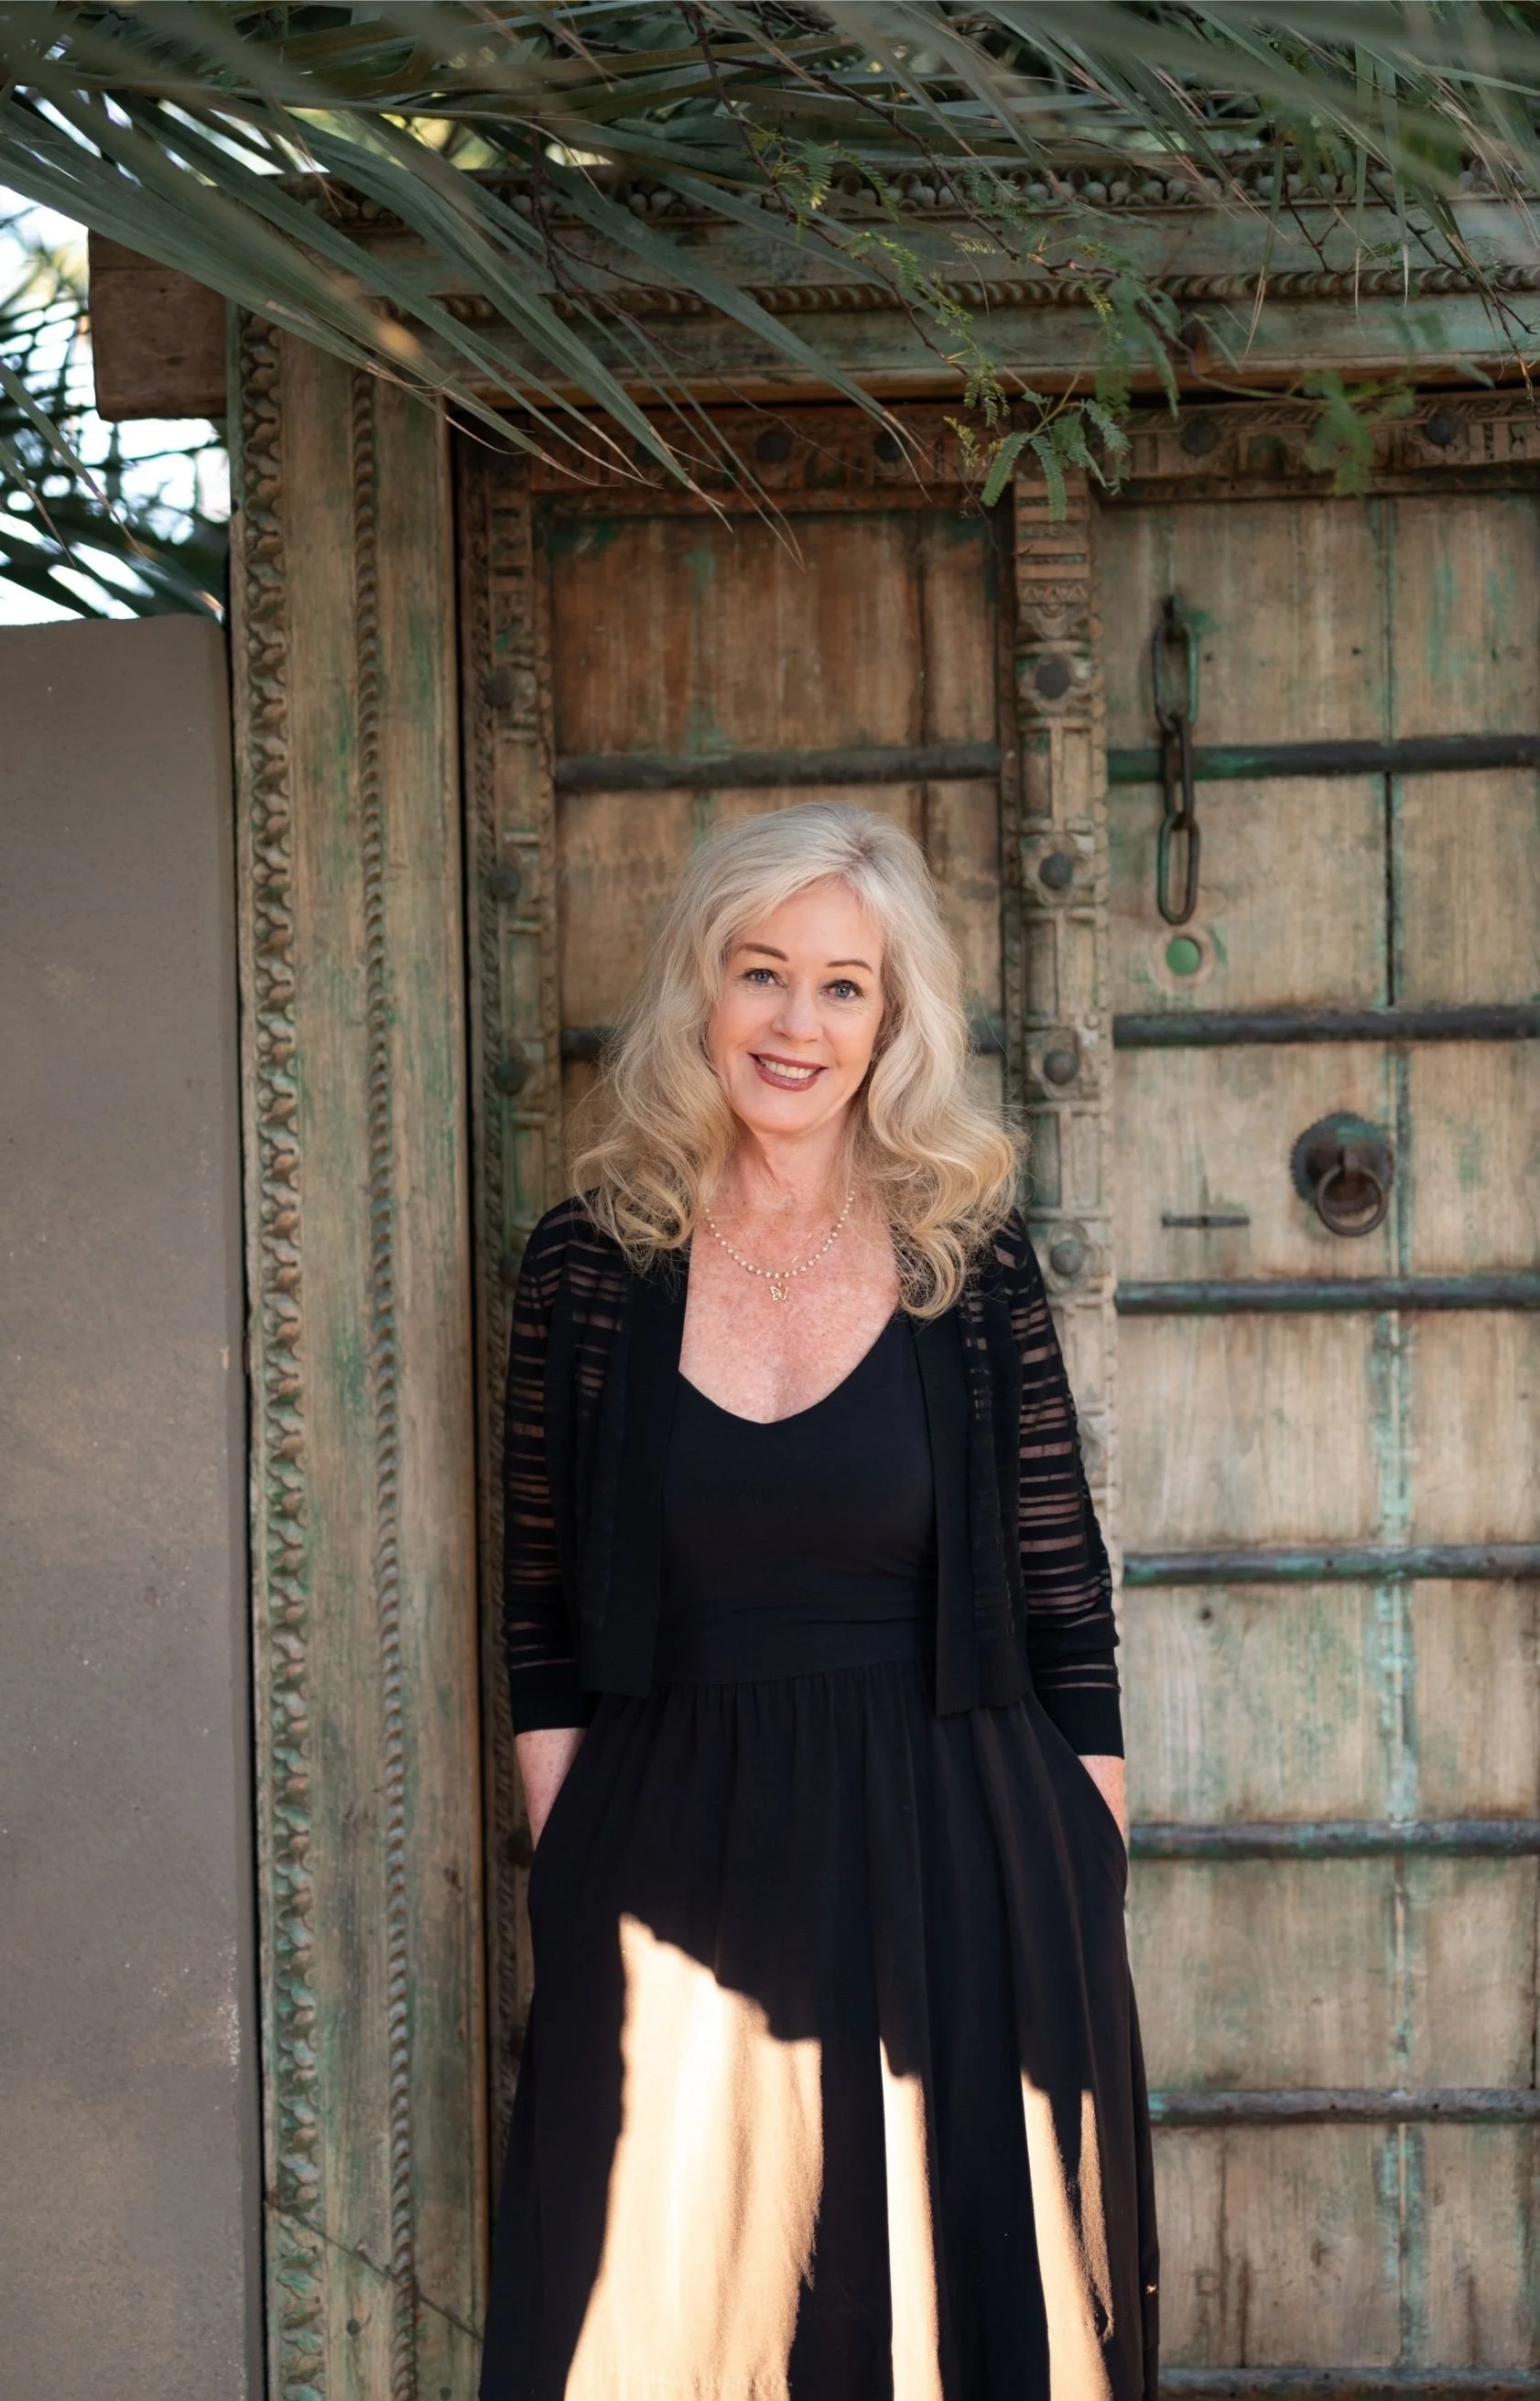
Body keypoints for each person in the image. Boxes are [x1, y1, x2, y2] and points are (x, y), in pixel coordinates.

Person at [480, 801, 1157, 2401]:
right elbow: (540, 1612)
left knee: (957, 2325)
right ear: (699, 991)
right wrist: (573, 1872)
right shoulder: (587, 1262)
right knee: (665, 2324)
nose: (797, 1023)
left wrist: (1078, 1871)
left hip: (963, 1855)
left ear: (892, 1016)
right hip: (672, 1870)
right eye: (761, 972)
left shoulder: (961, 1253)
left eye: (843, 986)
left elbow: (1066, 1597)